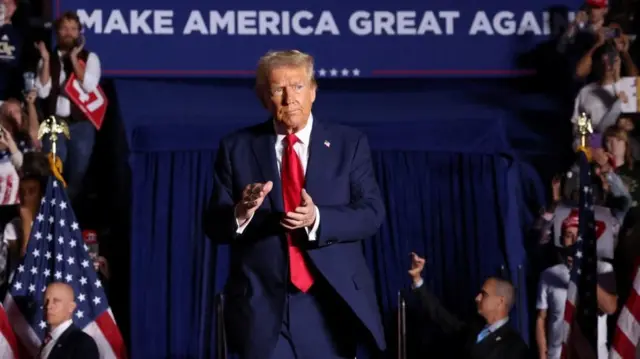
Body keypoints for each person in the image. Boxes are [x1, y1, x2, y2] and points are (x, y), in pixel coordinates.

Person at [204, 49, 386, 359]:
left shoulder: (348, 144)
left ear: (314, 91)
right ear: (264, 97)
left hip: (328, 301)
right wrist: (241, 213)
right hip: (262, 307)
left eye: (298, 86)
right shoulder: (236, 148)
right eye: (278, 89)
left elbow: (371, 214)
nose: (290, 98)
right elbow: (213, 225)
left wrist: (318, 219)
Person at [407, 253, 529, 359]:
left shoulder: (514, 346)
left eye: (484, 294)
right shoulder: (473, 328)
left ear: (500, 301)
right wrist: (417, 280)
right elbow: (440, 315)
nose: (477, 298)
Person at [34, 11, 102, 200]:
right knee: (54, 168)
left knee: (78, 173)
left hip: (81, 124)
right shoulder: (47, 58)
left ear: (79, 32)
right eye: (64, 28)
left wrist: (74, 58)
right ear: (57, 32)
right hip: (55, 122)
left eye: (73, 29)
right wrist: (47, 61)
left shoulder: (90, 59)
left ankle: (68, 213)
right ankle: (52, 208)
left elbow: (89, 86)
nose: (69, 33)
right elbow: (42, 91)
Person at [536, 211, 617, 359]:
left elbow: (610, 308)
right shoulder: (548, 274)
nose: (574, 241)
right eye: (568, 235)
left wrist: (585, 273)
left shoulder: (603, 269)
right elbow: (541, 317)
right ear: (562, 240)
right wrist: (543, 353)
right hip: (559, 354)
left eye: (578, 236)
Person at [40, 282, 99, 359]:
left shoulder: (82, 343)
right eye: (46, 301)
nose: (48, 306)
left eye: (56, 301)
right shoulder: (47, 341)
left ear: (71, 307)